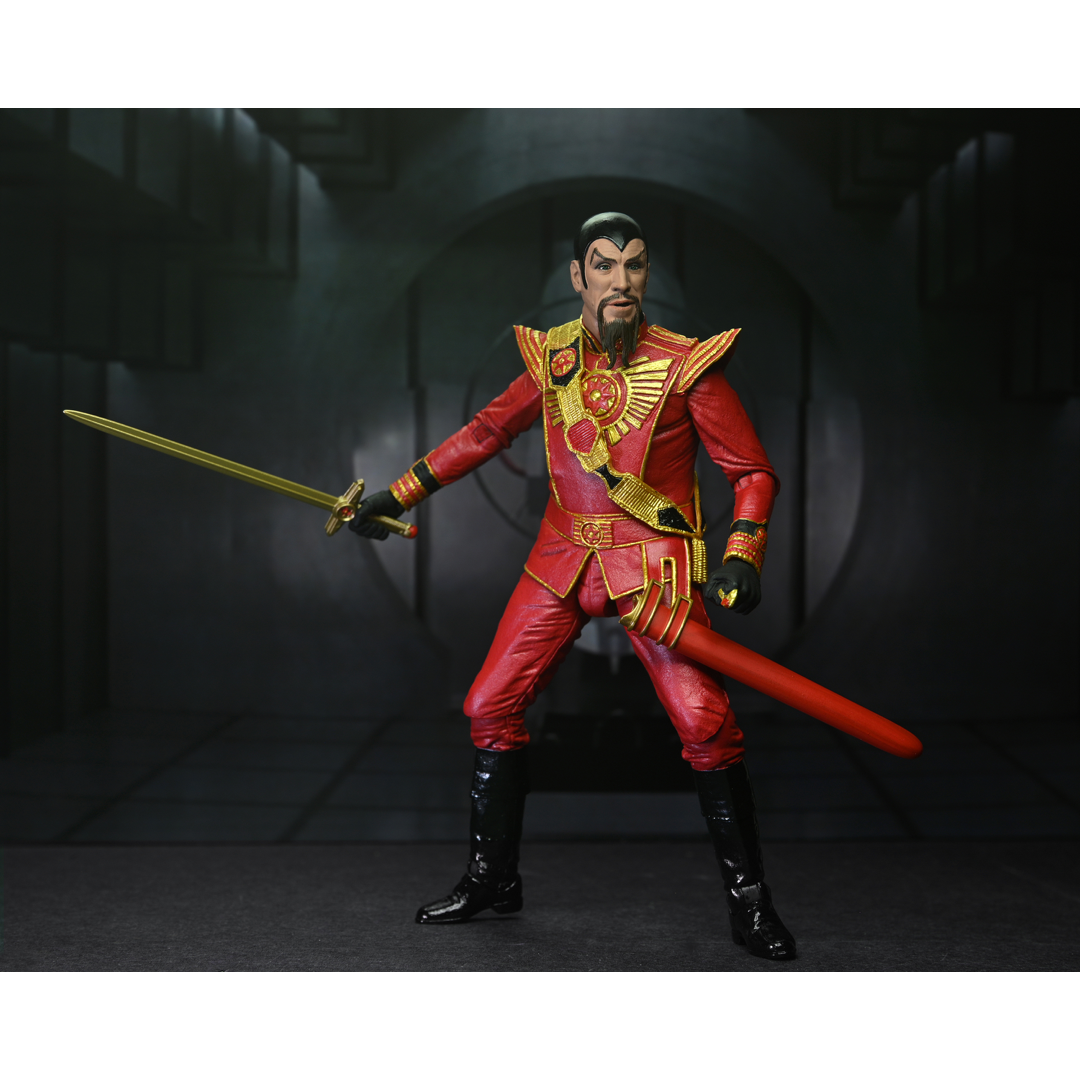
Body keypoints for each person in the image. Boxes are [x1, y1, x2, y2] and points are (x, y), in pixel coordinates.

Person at [351, 212, 797, 961]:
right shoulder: (551, 359)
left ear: (646, 275)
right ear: (578, 277)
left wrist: (743, 553)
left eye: (634, 266)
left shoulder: (686, 366)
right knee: (489, 705)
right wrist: (398, 494)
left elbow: (750, 472)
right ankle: (493, 877)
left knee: (705, 724)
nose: (621, 281)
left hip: (652, 563)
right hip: (561, 556)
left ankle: (751, 903)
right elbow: (487, 432)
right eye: (605, 266)